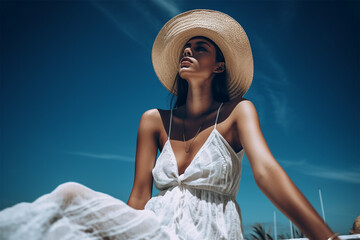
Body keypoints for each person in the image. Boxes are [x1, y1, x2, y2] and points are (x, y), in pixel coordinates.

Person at [0, 9, 339, 240]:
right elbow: (138, 195)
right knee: (70, 197)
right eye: (186, 48)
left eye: (200, 47)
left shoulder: (239, 111)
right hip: (155, 227)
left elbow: (266, 172)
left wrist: (325, 237)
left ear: (219, 66)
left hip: (211, 230)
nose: (188, 52)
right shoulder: (154, 121)